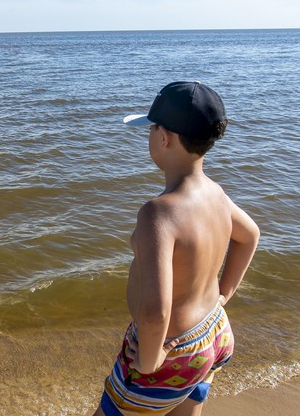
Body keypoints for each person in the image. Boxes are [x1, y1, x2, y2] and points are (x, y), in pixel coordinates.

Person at [95, 81, 260, 415]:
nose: (151, 135)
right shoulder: (215, 193)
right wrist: (224, 293)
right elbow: (250, 236)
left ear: (164, 136)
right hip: (214, 332)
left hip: (171, 351)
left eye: (152, 127)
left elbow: (155, 310)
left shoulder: (157, 213)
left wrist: (149, 357)